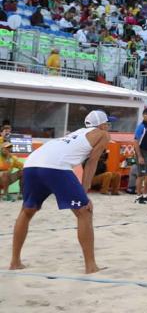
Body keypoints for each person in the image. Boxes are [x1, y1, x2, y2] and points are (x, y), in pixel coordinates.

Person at [9, 110, 111, 273]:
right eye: (108, 123)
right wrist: (85, 193)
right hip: (55, 166)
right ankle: (91, 266)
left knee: (27, 210)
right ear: (102, 124)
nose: (109, 126)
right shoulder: (103, 134)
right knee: (84, 212)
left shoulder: (75, 134)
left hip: (31, 163)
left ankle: (15, 262)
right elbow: (91, 163)